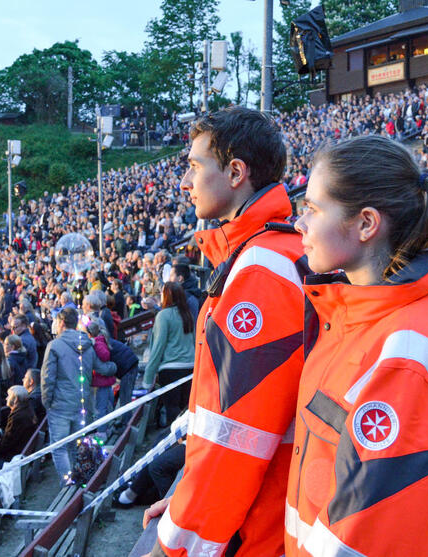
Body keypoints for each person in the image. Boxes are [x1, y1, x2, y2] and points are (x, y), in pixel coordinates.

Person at [286, 135, 428, 555]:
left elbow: (366, 538)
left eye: (312, 209)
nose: (300, 223)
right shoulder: (353, 318)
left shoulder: (407, 358)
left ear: (366, 223)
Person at [144, 107, 308, 557]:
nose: (184, 181)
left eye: (194, 166)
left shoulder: (262, 271)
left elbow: (232, 438)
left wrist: (175, 541)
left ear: (236, 172)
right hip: (264, 515)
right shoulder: (275, 250)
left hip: (254, 528)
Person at [41, 307, 116, 484]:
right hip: (82, 403)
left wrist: (47, 402)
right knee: (75, 445)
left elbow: (47, 378)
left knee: (59, 448)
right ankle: (76, 480)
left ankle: (68, 485)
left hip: (60, 404)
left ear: (60, 323)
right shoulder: (87, 344)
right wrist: (116, 366)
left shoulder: (55, 346)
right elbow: (101, 367)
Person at [141, 282, 195, 424]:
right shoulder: (188, 314)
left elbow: (158, 348)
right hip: (190, 367)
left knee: (172, 409)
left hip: (171, 369)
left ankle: (174, 441)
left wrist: (148, 378)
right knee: (185, 409)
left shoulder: (163, 316)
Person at [0, 385, 37, 465]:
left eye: (9, 396)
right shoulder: (26, 410)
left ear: (15, 399)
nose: (6, 398)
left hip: (11, 460)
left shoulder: (18, 417)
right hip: (18, 454)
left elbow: (6, 443)